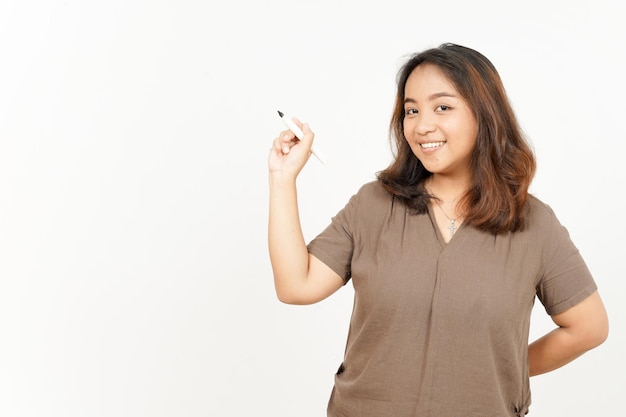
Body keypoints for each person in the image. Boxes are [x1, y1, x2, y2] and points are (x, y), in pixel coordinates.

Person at [267, 43, 608, 416]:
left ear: (485, 114)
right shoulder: (373, 205)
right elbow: (296, 286)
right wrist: (282, 179)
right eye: (411, 110)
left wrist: (504, 370)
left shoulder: (532, 223)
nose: (422, 125)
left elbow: (588, 327)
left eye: (442, 107)